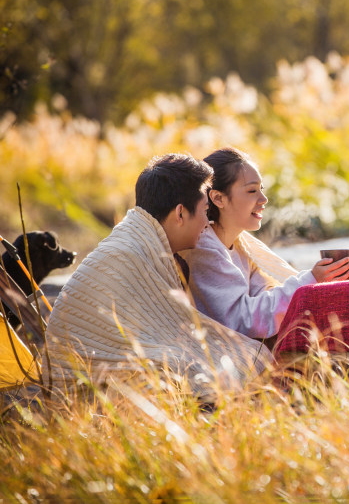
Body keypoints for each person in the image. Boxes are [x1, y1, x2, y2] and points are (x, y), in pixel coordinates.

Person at [44, 154, 270, 395]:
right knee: (244, 363)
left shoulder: (143, 242)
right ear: (180, 214)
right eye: (206, 210)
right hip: (82, 394)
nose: (208, 221)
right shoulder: (133, 253)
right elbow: (165, 341)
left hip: (85, 382)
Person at [180, 148, 349, 340]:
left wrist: (321, 281)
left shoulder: (240, 245)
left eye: (261, 190)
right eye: (252, 190)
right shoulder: (205, 250)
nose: (263, 200)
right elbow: (245, 321)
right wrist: (309, 280)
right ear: (218, 198)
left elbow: (266, 291)